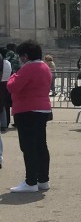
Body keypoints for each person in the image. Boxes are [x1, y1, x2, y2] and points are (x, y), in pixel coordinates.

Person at [7, 40, 52, 193]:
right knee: (41, 145)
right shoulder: (45, 67)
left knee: (28, 146)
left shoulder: (29, 68)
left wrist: (13, 76)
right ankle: (43, 179)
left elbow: (12, 85)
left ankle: (31, 181)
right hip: (42, 109)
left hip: (27, 109)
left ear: (25, 56)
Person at [0, 48, 11, 131]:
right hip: (7, 83)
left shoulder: (3, 62)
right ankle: (5, 123)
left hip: (2, 83)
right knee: (5, 105)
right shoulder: (8, 62)